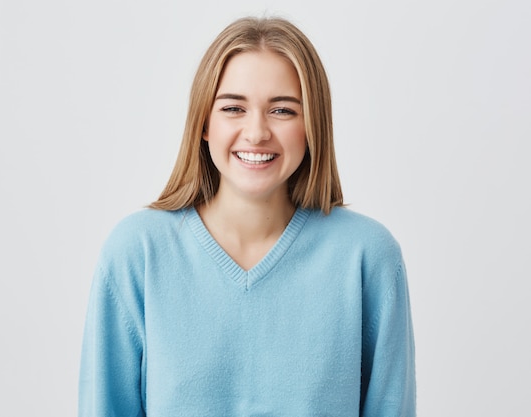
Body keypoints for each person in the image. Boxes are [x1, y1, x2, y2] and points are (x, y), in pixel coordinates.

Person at [79, 16, 416, 417]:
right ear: (204, 122)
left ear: (313, 126)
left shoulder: (368, 257)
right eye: (234, 108)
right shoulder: (137, 254)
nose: (256, 132)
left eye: (283, 110)